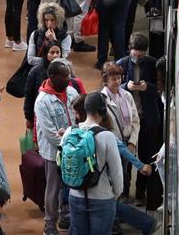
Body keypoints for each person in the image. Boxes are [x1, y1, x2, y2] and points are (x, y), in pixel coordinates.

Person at [34, 60, 80, 235]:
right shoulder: (42, 101)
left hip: (73, 148)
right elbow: (51, 134)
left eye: (69, 75)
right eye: (65, 76)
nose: (69, 79)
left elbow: (80, 118)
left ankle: (66, 217)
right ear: (52, 77)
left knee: (71, 187)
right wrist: (71, 143)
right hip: (54, 153)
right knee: (53, 190)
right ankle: (50, 226)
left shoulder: (71, 92)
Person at [67, 93, 124, 234]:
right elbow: (116, 172)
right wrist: (116, 193)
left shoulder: (70, 131)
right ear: (102, 111)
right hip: (102, 197)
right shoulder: (107, 136)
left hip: (75, 195)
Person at [115, 33, 160, 199]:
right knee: (126, 155)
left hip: (146, 118)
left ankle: (141, 191)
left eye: (141, 55)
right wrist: (127, 86)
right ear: (130, 50)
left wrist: (147, 87)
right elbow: (113, 88)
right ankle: (125, 191)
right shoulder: (121, 64)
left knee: (146, 155)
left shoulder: (152, 64)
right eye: (135, 55)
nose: (137, 59)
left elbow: (161, 90)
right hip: (127, 120)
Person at [100, 63, 139, 194]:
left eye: (119, 78)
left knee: (125, 174)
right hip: (113, 144)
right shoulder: (102, 99)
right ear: (106, 80)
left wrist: (133, 142)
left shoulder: (127, 95)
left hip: (129, 143)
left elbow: (135, 120)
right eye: (113, 78)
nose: (117, 81)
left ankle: (124, 197)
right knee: (115, 174)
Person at [25, 42, 64, 131]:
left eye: (58, 52)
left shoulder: (65, 70)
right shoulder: (35, 72)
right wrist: (28, 118)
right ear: (45, 54)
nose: (55, 55)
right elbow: (29, 97)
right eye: (52, 52)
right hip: (40, 113)